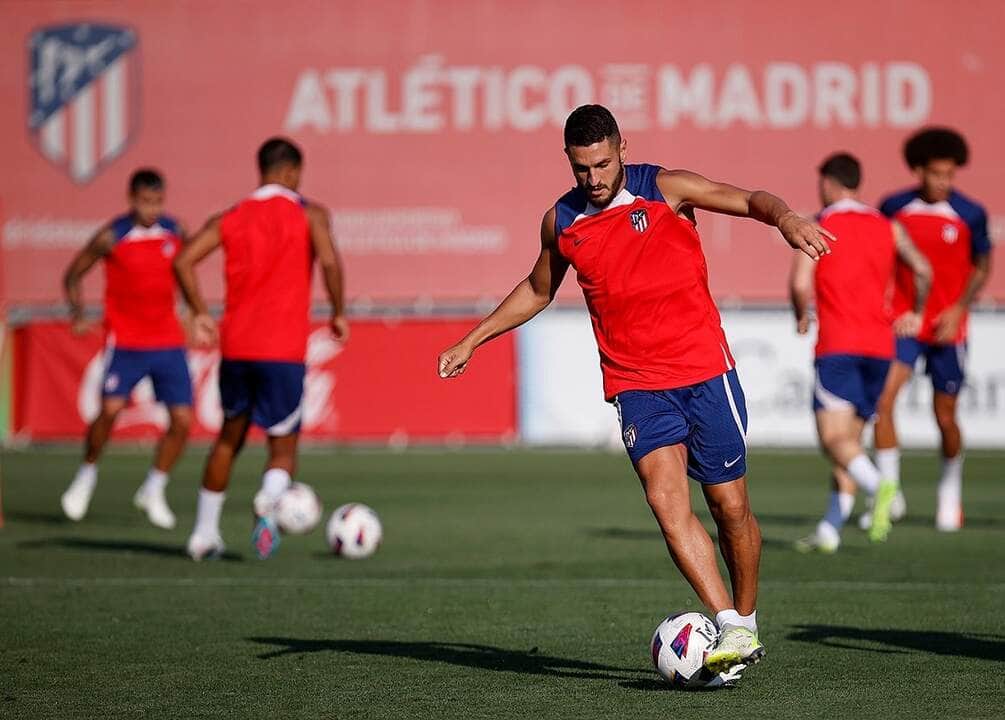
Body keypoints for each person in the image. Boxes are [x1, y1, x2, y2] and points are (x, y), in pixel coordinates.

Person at [437, 105, 834, 675]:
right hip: (636, 385)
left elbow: (749, 199)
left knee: (730, 507)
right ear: (568, 163)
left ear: (623, 147)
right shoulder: (562, 221)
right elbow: (536, 287)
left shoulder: (665, 189)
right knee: (666, 502)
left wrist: (788, 219)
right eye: (581, 169)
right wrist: (473, 340)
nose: (594, 179)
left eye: (602, 164)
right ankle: (727, 626)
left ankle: (744, 620)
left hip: (704, 372)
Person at [173, 137, 348, 561]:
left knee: (228, 440)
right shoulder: (310, 214)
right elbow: (329, 261)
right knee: (282, 446)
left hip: (236, 347)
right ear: (291, 172)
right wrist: (338, 311)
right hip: (282, 350)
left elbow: (181, 261)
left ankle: (203, 535)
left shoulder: (232, 216)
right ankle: (268, 502)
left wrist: (198, 312)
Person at [790, 153, 931, 553]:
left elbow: (801, 283)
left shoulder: (819, 226)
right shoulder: (887, 226)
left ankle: (883, 488)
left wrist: (802, 315)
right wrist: (916, 313)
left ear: (829, 184)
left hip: (839, 345)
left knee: (832, 438)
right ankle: (831, 529)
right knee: (850, 444)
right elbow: (922, 270)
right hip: (880, 348)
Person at [873, 128, 992, 532]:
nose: (943, 181)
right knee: (883, 401)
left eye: (949, 174)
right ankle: (889, 492)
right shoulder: (894, 206)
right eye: (937, 173)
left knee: (945, 417)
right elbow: (880, 256)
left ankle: (949, 491)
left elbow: (983, 265)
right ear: (919, 170)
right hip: (906, 322)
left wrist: (959, 308)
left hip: (948, 329)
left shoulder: (969, 213)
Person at [59, 169, 192, 529]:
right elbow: (72, 275)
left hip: (167, 340)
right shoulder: (111, 237)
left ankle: (154, 487)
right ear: (131, 199)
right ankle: (86, 476)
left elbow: (187, 272)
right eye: (145, 202)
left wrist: (195, 313)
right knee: (110, 411)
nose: (152, 209)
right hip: (127, 341)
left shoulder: (176, 232)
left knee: (182, 422)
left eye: (158, 201)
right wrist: (78, 314)